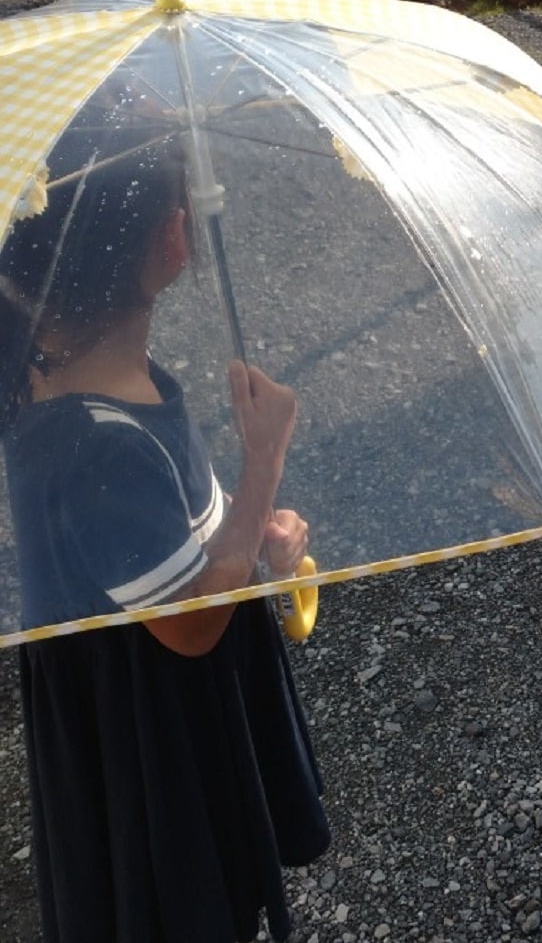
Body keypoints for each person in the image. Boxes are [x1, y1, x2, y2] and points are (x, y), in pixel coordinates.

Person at [0, 130, 330, 943]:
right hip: (148, 742)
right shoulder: (98, 444)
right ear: (175, 236)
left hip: (139, 713)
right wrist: (263, 467)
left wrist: (249, 536)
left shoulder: (57, 369)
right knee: (177, 906)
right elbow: (189, 627)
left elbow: (178, 536)